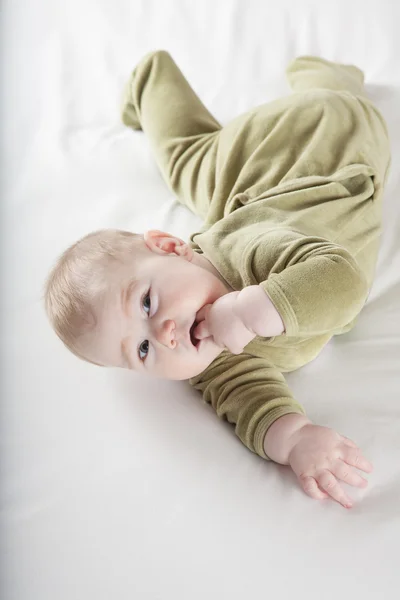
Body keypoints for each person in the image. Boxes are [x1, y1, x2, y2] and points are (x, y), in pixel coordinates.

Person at [45, 50, 391, 508]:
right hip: (255, 188)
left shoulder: (251, 251)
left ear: (171, 246)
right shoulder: (210, 361)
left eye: (147, 303)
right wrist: (295, 439)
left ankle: (154, 76)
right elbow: (249, 401)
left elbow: (342, 283)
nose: (165, 335)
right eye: (143, 350)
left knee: (189, 157)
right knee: (194, 165)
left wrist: (255, 309)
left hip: (327, 137)